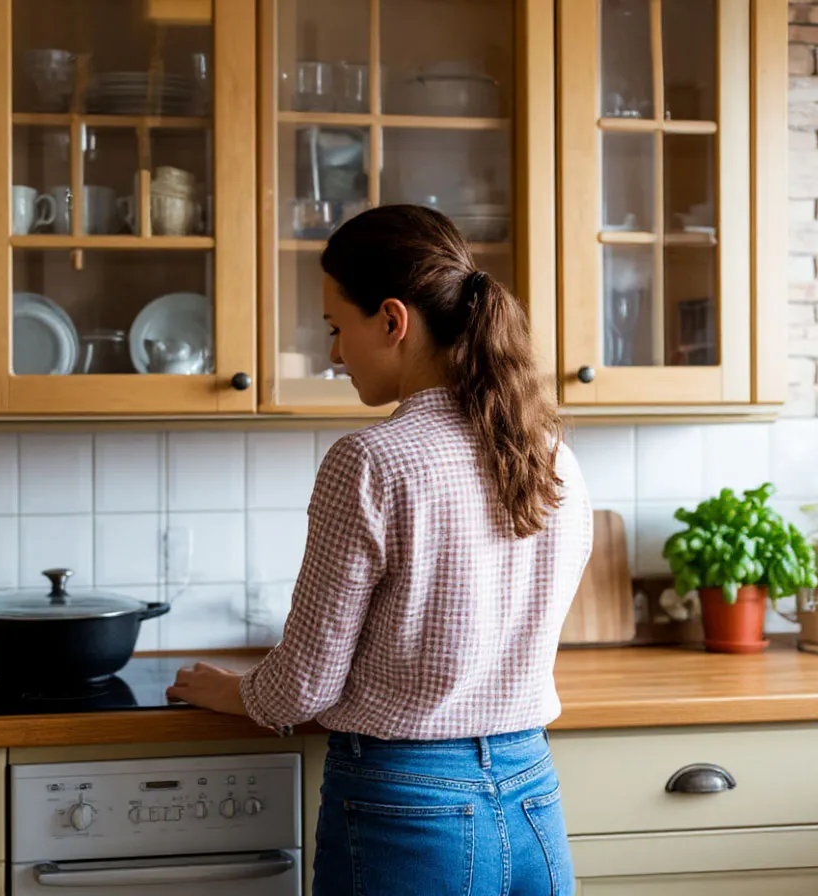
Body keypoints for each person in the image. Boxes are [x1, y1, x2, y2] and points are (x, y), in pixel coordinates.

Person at [166, 204, 592, 896]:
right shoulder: (552, 455)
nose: (334, 353)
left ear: (393, 321)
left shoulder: (371, 459)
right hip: (531, 797)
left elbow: (304, 685)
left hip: (408, 807)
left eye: (338, 328)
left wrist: (234, 691)